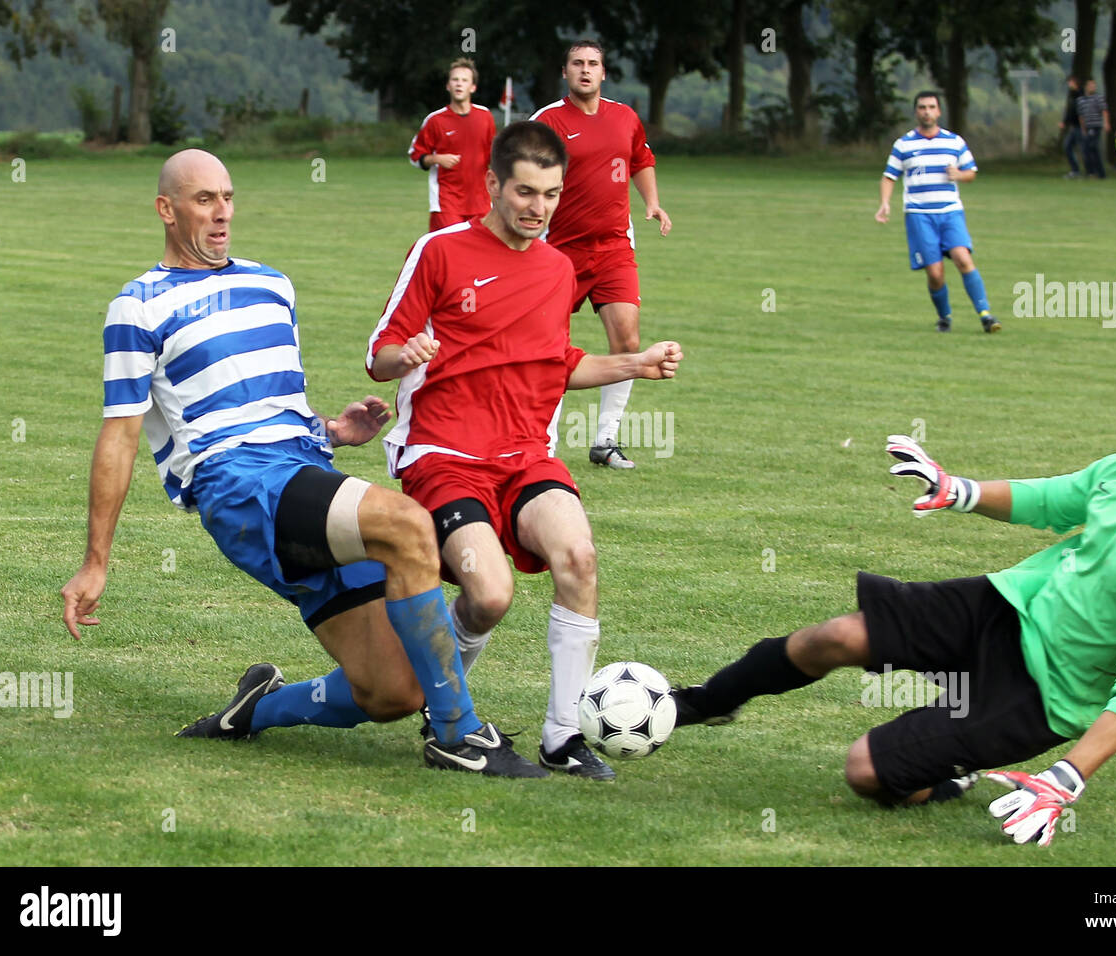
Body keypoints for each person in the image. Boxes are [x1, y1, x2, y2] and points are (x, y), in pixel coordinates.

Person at [61, 148, 546, 778]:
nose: (222, 214)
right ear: (166, 209)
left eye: (228, 198)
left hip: (303, 470)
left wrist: (334, 430)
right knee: (407, 525)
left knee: (393, 691)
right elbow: (120, 436)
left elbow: (272, 403)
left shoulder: (272, 284)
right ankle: (459, 735)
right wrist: (96, 562)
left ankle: (254, 710)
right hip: (239, 486)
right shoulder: (139, 306)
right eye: (204, 200)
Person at [673, 365, 1116, 846]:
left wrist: (1065, 777)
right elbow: (1050, 499)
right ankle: (705, 703)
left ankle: (950, 777)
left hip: (1044, 692)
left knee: (865, 771)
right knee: (835, 637)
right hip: (1004, 607)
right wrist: (956, 489)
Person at [365, 121, 683, 780]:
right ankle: (445, 714)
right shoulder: (439, 250)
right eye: (525, 192)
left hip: (525, 456)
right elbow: (379, 355)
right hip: (444, 456)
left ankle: (564, 738)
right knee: (489, 595)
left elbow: (556, 362)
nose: (538, 208)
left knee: (580, 557)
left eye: (551, 194)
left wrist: (636, 364)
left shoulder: (558, 269)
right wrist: (409, 354)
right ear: (492, 185)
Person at [529, 40, 672, 470]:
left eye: (593, 64)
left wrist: (651, 202)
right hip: (557, 252)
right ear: (565, 71)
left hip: (613, 248)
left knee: (628, 341)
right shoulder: (547, 121)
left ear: (604, 72)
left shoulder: (624, 118)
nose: (585, 70)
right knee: (549, 347)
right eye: (577, 64)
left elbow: (640, 160)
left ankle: (606, 439)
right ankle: (542, 445)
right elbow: (514, 170)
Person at [875, 90, 999, 333]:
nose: (927, 112)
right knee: (935, 273)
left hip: (951, 213)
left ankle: (986, 315)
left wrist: (960, 175)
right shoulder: (904, 144)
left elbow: (971, 172)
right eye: (922, 107)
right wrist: (885, 203)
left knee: (964, 259)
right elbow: (889, 176)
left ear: (939, 111)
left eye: (931, 107)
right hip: (919, 215)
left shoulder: (954, 142)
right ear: (916, 112)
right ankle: (945, 317)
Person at [408, 58, 497, 232]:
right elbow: (415, 155)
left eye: (464, 80)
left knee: (482, 254)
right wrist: (436, 158)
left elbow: (494, 154)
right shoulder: (435, 120)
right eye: (455, 80)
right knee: (449, 252)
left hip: (481, 201)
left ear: (473, 87)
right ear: (448, 86)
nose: (459, 84)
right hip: (447, 203)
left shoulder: (485, 116)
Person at [1076, 78, 1110, 179]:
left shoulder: (1098, 98)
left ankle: (1100, 173)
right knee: (1087, 149)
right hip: (1088, 126)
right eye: (1090, 85)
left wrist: (1106, 123)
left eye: (1094, 85)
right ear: (1085, 87)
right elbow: (1081, 116)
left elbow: (1104, 111)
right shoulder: (1080, 100)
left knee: (1093, 147)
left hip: (1096, 126)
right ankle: (1090, 171)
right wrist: (1083, 128)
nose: (1092, 87)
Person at [1060, 76, 1084, 178]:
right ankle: (1075, 170)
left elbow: (1079, 112)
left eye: (1071, 83)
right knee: (1068, 146)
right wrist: (1065, 122)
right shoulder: (1073, 95)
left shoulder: (1080, 96)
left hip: (1080, 127)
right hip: (1074, 126)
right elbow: (1070, 111)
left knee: (1084, 149)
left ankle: (1087, 171)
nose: (1069, 85)